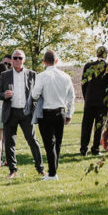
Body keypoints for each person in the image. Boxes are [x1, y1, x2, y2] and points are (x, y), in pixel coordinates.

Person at [0, 49, 44, 179]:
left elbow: (39, 94)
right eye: (15, 58)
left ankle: (40, 168)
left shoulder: (32, 74)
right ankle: (12, 170)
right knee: (9, 143)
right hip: (10, 112)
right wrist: (4, 95)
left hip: (26, 112)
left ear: (24, 60)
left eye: (20, 58)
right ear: (11, 60)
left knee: (32, 140)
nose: (17, 60)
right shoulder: (5, 75)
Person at [31, 50, 75, 181]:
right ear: (56, 61)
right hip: (60, 112)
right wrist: (69, 113)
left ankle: (52, 173)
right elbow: (71, 97)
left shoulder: (42, 76)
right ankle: (54, 170)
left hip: (47, 112)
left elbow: (34, 94)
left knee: (49, 144)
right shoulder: (66, 76)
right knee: (58, 143)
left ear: (44, 62)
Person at [80, 46, 108, 156]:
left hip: (89, 100)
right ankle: (95, 149)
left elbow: (84, 84)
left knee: (86, 125)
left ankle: (83, 149)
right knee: (98, 126)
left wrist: (86, 97)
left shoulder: (88, 66)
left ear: (97, 54)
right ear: (106, 55)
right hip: (102, 101)